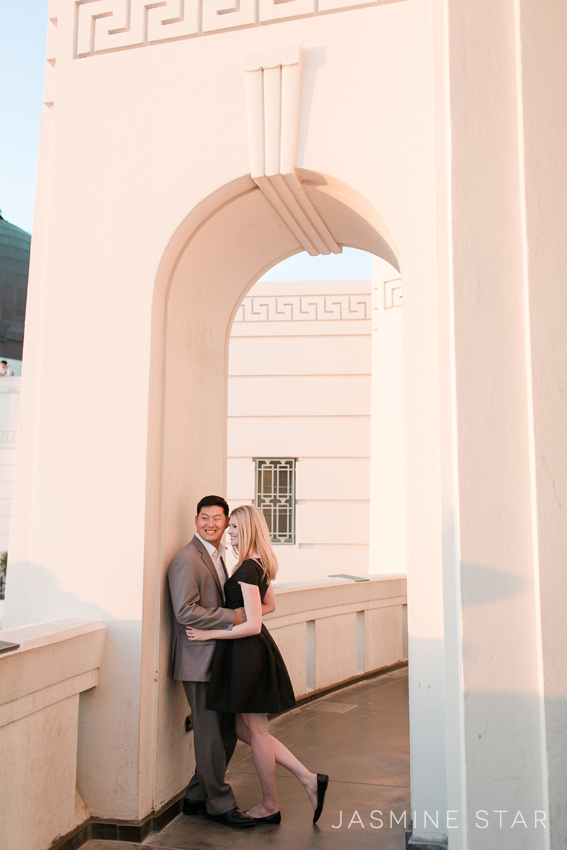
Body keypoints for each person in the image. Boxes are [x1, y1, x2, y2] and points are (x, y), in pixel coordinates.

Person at [186, 504, 329, 825]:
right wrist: (244, 615)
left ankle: (270, 805)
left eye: (235, 527)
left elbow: (252, 625)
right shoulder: (257, 564)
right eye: (230, 527)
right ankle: (309, 779)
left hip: (246, 654)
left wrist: (210, 632)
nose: (229, 532)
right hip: (248, 652)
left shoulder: (248, 569)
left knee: (257, 731)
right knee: (245, 729)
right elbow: (270, 605)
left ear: (248, 529)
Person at [167, 495, 255, 828]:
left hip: (216, 657)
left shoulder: (218, 556)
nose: (211, 524)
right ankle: (220, 804)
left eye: (218, 519)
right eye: (205, 518)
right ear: (196, 520)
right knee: (210, 734)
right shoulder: (186, 559)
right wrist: (234, 617)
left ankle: (196, 795)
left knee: (226, 730)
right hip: (196, 658)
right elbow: (185, 611)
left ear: (226, 522)